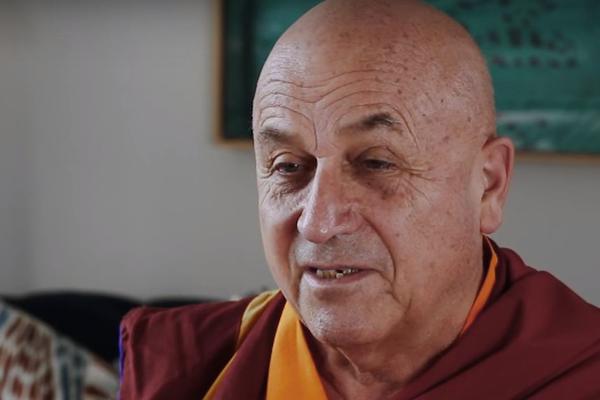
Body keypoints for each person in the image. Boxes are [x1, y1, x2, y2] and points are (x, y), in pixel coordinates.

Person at [118, 0, 600, 399]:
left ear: (489, 185)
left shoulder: (578, 373)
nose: (317, 223)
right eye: (288, 166)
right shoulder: (188, 368)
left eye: (376, 163)